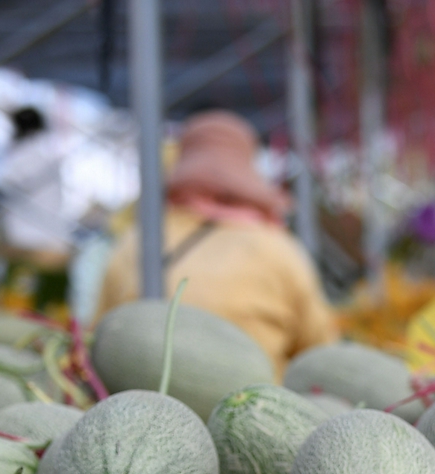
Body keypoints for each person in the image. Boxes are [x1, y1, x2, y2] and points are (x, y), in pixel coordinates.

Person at [98, 110, 336, 370]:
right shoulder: (278, 247)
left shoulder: (137, 240)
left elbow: (99, 335)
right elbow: (320, 352)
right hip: (254, 403)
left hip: (138, 397)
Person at [0, 107, 73, 314]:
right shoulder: (47, 155)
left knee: (21, 313)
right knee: (53, 314)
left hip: (27, 246)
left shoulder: (20, 156)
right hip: (54, 245)